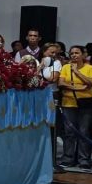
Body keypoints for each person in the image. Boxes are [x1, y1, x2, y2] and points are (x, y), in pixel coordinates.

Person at [58, 46, 92, 169]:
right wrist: (78, 87)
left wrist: (77, 72)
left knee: (84, 132)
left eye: (77, 53)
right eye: (72, 53)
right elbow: (61, 83)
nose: (74, 55)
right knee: (69, 132)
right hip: (68, 103)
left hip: (85, 104)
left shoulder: (91, 68)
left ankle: (84, 159)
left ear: (83, 55)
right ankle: (68, 158)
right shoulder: (65, 67)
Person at [39, 43, 64, 173]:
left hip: (51, 95)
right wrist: (40, 67)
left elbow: (53, 78)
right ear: (44, 51)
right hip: (39, 96)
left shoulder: (57, 63)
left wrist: (40, 79)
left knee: (51, 127)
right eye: (51, 52)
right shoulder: (39, 62)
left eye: (55, 53)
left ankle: (53, 160)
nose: (54, 55)